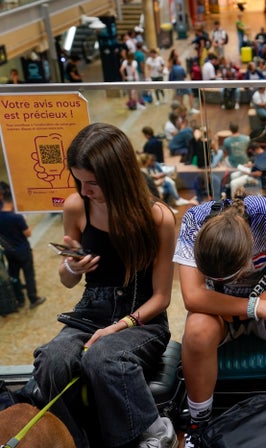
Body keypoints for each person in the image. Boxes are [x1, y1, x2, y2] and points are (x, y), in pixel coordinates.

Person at [31, 123, 177, 448]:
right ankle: (75, 439)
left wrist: (119, 327)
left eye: (93, 183)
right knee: (53, 361)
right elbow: (69, 282)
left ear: (118, 177)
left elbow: (162, 298)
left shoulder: (159, 218)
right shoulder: (76, 206)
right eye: (79, 181)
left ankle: (153, 430)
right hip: (90, 311)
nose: (85, 191)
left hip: (141, 317)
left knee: (102, 358)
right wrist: (70, 266)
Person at [174, 192, 266, 447]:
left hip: (260, 300)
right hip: (223, 312)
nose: (221, 282)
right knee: (196, 330)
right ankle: (199, 424)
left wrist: (254, 307)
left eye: (227, 278)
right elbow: (192, 297)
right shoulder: (194, 219)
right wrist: (253, 307)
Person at [0, 183, 45, 309]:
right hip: (23, 250)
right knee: (28, 275)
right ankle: (33, 299)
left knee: (14, 275)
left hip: (9, 250)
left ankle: (19, 300)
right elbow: (28, 233)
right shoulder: (17, 217)